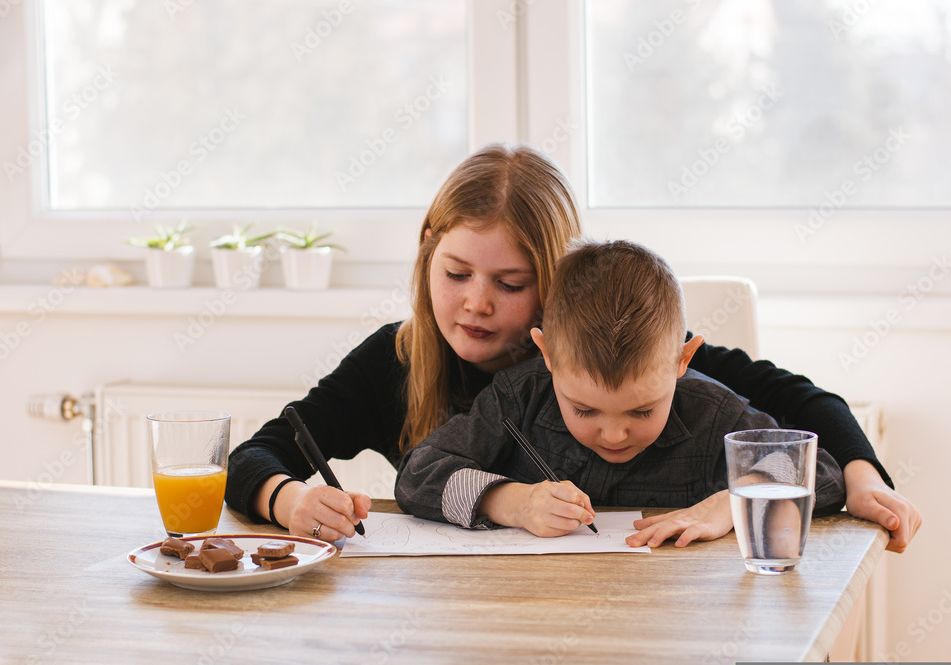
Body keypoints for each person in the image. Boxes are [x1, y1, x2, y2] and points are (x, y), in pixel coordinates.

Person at [224, 143, 920, 551]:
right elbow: (258, 454)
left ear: (551, 292)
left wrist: (858, 479)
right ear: (426, 259)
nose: (475, 301)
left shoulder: (615, 352)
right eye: (457, 274)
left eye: (510, 281)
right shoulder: (397, 358)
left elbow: (797, 405)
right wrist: (288, 501)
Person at [394, 240, 846, 543]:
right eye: (585, 410)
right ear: (546, 355)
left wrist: (729, 505)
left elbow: (819, 472)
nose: (614, 435)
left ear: (682, 361)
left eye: (642, 410)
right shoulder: (519, 398)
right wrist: (514, 502)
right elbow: (418, 476)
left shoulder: (711, 412)